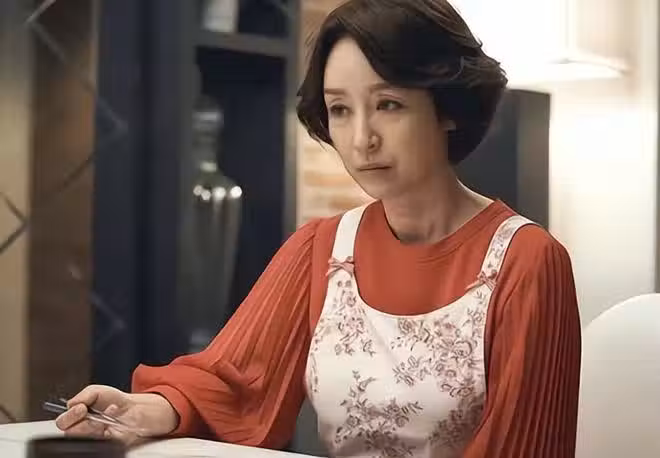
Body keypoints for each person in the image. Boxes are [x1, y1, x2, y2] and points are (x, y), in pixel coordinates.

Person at [56, 0, 582, 456]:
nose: (362, 138)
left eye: (389, 105)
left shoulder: (527, 261)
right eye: (340, 109)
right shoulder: (322, 249)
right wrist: (144, 409)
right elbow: (233, 384)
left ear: (448, 107)